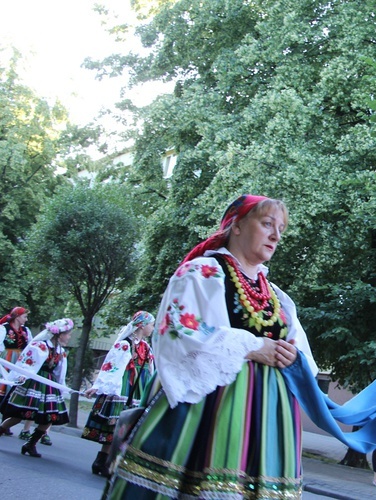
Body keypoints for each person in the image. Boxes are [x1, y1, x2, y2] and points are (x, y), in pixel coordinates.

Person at [104, 194, 319, 499]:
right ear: (238, 226)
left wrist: (292, 355)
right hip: (208, 404)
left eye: (280, 228)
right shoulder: (201, 272)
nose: (276, 235)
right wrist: (253, 346)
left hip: (269, 412)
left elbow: (301, 351)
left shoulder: (277, 296)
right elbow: (180, 331)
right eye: (267, 224)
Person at [81, 310, 155, 477]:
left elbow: (151, 369)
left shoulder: (146, 346)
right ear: (142, 325)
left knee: (128, 426)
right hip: (123, 385)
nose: (153, 327)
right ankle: (103, 461)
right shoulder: (124, 344)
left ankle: (108, 462)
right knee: (116, 425)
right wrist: (99, 386)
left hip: (138, 387)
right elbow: (111, 366)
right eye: (151, 324)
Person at [0, 317, 74, 458]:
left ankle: (30, 444)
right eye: (68, 334)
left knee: (50, 417)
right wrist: (23, 375)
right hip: (33, 382)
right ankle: (1, 430)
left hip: (48, 385)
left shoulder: (60, 352)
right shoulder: (40, 346)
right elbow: (28, 363)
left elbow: (59, 372)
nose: (69, 337)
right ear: (59, 334)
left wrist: (61, 387)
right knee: (17, 415)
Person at [0, 306, 36, 440]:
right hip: (6, 360)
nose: (26, 319)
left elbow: (31, 346)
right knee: (2, 388)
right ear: (17, 316)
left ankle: (5, 422)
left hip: (20, 362)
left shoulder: (26, 331)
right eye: (25, 316)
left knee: (13, 390)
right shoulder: (4, 328)